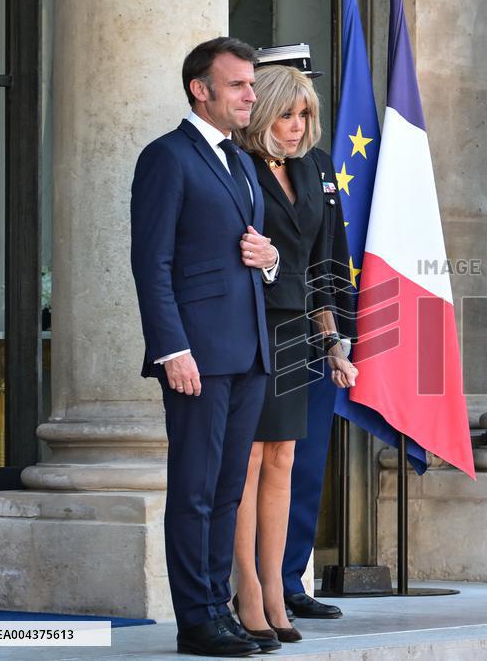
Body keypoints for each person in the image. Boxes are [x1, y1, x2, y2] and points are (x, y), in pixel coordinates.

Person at [130, 36, 283, 656]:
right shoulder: (167, 157)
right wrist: (172, 349)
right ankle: (196, 620)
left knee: (226, 490)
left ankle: (220, 611)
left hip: (248, 351)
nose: (252, 94)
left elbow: (249, 252)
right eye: (241, 84)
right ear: (203, 89)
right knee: (194, 488)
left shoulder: (243, 161)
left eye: (252, 83)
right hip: (196, 355)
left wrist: (269, 260)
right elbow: (152, 262)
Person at [230, 54, 358, 642]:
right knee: (249, 462)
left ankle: (281, 586)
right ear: (262, 113)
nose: (298, 126)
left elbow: (326, 261)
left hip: (299, 332)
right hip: (247, 325)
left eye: (305, 114)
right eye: (287, 113)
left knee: (283, 458)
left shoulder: (316, 169)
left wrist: (335, 341)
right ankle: (247, 589)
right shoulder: (238, 166)